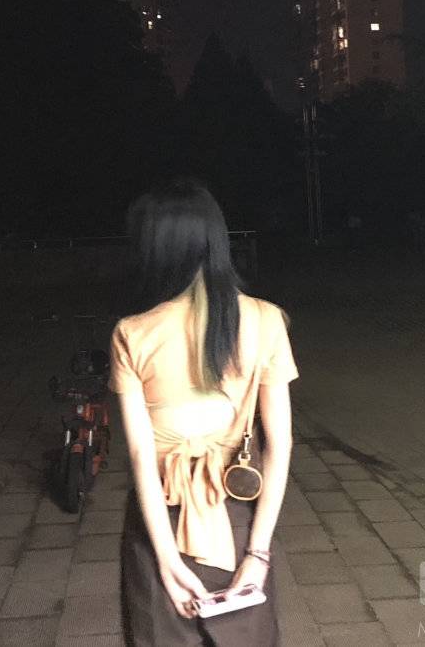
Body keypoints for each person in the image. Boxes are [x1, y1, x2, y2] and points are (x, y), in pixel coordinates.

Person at [109, 179, 298, 646]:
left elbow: (141, 454)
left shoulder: (133, 333)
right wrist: (258, 553)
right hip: (239, 514)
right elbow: (280, 443)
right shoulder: (266, 319)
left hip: (162, 518)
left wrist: (167, 561)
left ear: (152, 249)